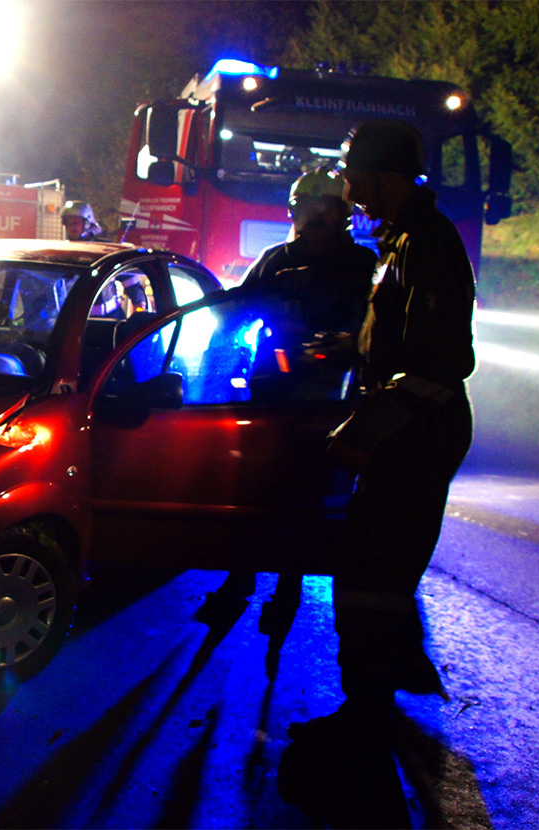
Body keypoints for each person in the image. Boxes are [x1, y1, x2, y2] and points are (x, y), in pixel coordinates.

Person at [291, 119, 476, 751]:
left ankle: (365, 719)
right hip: (406, 425)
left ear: (387, 177)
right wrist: (353, 344)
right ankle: (376, 698)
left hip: (415, 430)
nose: (347, 190)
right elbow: (402, 337)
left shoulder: (428, 244)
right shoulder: (402, 241)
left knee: (372, 575)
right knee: (376, 571)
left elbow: (439, 363)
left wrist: (364, 429)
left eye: (353, 176)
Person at [197, 166, 376, 636]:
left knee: (307, 496)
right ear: (293, 212)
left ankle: (288, 592)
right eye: (306, 208)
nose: (315, 217)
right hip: (270, 392)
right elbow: (231, 315)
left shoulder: (362, 267)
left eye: (326, 208)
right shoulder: (273, 261)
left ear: (344, 214)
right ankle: (239, 581)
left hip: (329, 400)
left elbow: (376, 331)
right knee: (254, 488)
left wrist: (348, 344)